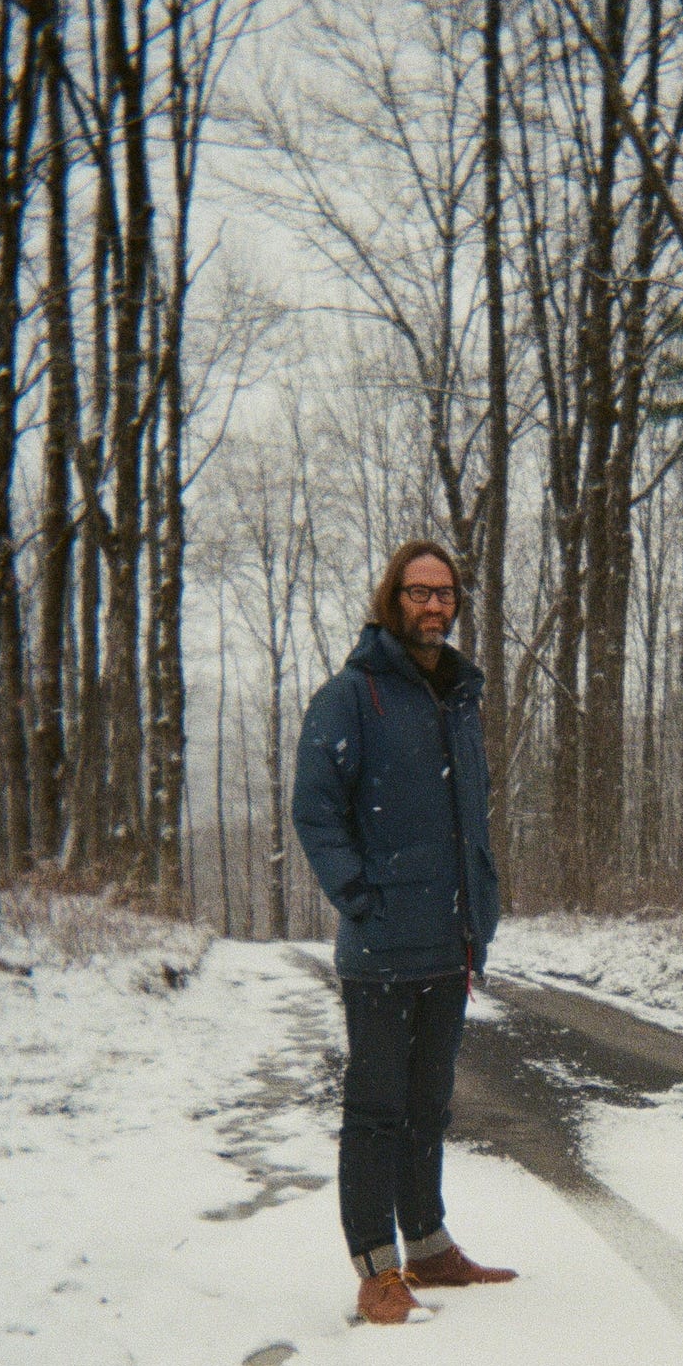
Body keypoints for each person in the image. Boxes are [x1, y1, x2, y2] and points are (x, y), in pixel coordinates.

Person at [292, 539, 517, 1325]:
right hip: (382, 945)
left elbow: (468, 819)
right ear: (393, 599)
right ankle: (377, 1270)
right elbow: (316, 810)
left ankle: (427, 1244)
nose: (434, 605)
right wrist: (361, 895)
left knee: (429, 1107)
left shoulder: (457, 696)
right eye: (419, 592)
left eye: (445, 593)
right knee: (376, 1110)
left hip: (450, 939)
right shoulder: (351, 696)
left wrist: (478, 909)